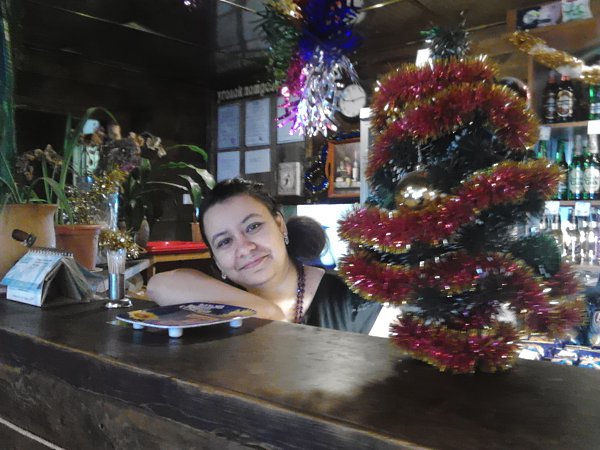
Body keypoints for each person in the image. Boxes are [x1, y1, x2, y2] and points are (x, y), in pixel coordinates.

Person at [147, 178, 381, 334]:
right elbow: (160, 284)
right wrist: (267, 311)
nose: (245, 248)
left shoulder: (354, 302)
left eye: (253, 227)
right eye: (225, 241)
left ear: (279, 225)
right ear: (217, 261)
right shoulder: (222, 302)